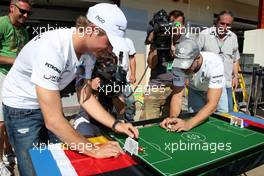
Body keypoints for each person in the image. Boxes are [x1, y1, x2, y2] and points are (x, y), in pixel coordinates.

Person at [2, 3, 139, 176]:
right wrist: (93, 149)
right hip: (21, 106)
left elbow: (86, 97)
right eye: (110, 42)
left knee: (61, 160)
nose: (111, 49)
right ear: (92, 30)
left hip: (46, 101)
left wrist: (116, 124)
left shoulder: (89, 53)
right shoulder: (53, 48)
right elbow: (53, 119)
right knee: (33, 166)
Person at [161, 38, 225, 132]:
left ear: (198, 58)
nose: (183, 69)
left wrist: (188, 124)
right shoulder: (177, 67)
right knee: (196, 120)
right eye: (181, 65)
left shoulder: (214, 62)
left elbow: (213, 103)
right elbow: (177, 95)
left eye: (187, 65)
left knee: (221, 122)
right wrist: (172, 117)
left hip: (216, 90)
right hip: (195, 89)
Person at [0, 0, 31, 175]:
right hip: (1, 74)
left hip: (16, 78)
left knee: (11, 120)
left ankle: (8, 153)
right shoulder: (2, 24)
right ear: (12, 8)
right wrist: (15, 61)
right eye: (22, 11)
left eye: (28, 13)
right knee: (1, 122)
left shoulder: (24, 31)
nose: (26, 16)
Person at [140, 10, 187, 120]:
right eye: (172, 24)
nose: (175, 28)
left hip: (175, 90)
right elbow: (151, 65)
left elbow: (187, 67)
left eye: (178, 24)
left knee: (170, 124)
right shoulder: (159, 38)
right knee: (148, 123)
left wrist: (174, 50)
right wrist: (156, 45)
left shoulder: (186, 43)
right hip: (156, 87)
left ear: (183, 26)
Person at [197, 10, 240, 112]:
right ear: (216, 22)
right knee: (202, 115)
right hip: (207, 85)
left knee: (226, 116)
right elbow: (195, 56)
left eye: (228, 25)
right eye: (222, 23)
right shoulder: (204, 34)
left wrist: (236, 76)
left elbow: (235, 59)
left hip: (226, 84)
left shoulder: (233, 37)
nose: (224, 27)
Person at [112, 37, 137, 122]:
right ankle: (114, 121)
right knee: (114, 101)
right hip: (110, 77)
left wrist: (133, 74)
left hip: (124, 78)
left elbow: (132, 58)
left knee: (130, 100)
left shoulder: (128, 41)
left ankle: (129, 120)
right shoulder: (108, 39)